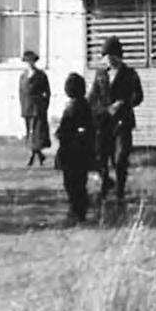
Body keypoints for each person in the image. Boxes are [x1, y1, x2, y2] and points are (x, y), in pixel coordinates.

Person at [87, 36, 144, 201]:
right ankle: (106, 184)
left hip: (123, 122)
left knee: (120, 158)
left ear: (119, 56)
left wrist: (124, 103)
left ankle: (120, 190)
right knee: (101, 157)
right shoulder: (101, 74)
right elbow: (93, 97)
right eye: (106, 56)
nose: (109, 60)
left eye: (112, 56)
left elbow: (138, 96)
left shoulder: (130, 74)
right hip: (104, 122)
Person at [55, 73, 95, 224]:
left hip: (71, 151)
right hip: (82, 151)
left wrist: (60, 133)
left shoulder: (74, 107)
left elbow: (66, 128)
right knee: (80, 182)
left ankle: (76, 211)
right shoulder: (84, 105)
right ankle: (79, 211)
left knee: (72, 184)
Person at [19, 50, 52, 167]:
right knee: (30, 131)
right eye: (27, 61)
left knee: (37, 131)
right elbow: (21, 93)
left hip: (37, 107)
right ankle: (39, 154)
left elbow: (47, 92)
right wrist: (22, 107)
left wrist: (44, 105)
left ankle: (33, 155)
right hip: (27, 107)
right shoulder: (23, 76)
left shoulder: (41, 75)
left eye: (31, 61)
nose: (29, 63)